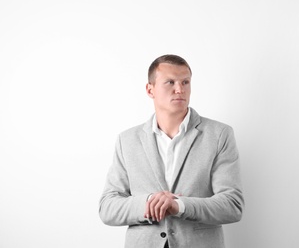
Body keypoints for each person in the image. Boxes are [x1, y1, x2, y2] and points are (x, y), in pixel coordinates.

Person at [99, 54, 244, 248]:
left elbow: (232, 205)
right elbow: (108, 208)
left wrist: (180, 206)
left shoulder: (219, 134)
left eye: (185, 82)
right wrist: (149, 202)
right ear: (150, 90)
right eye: (170, 82)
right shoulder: (127, 140)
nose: (180, 89)